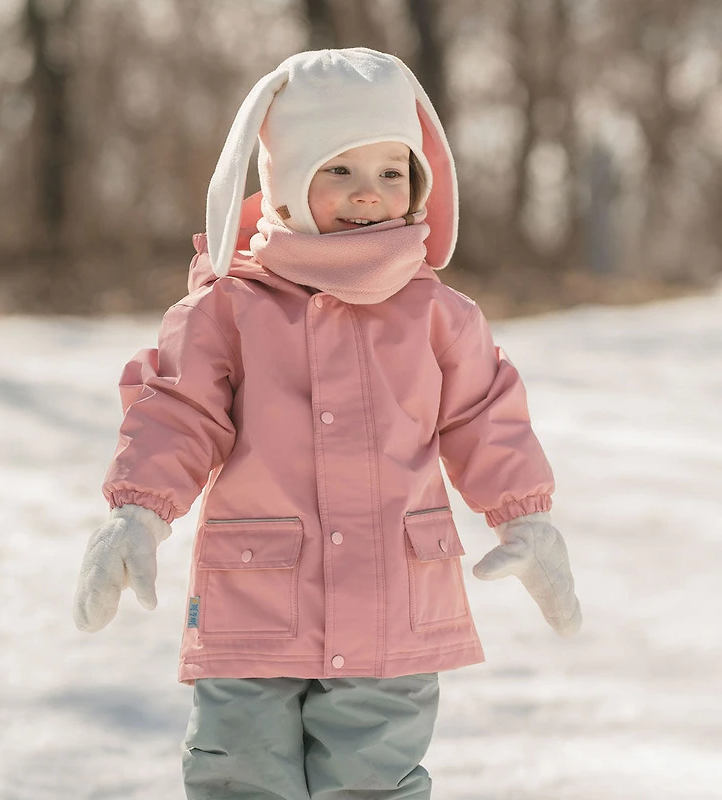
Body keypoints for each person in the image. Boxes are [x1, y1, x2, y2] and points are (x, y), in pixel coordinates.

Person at [73, 47, 582, 800]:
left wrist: (527, 520)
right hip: (256, 606)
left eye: (390, 171)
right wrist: (137, 514)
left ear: (419, 185)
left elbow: (484, 417)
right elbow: (178, 412)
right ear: (283, 183)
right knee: (238, 775)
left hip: (392, 612)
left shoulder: (439, 316)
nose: (368, 194)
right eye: (339, 169)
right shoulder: (229, 310)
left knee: (374, 781)